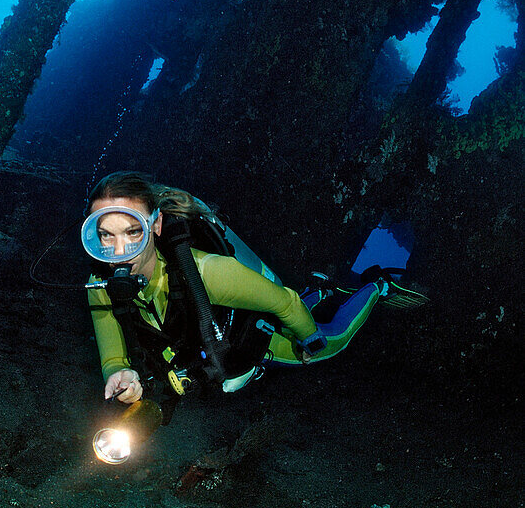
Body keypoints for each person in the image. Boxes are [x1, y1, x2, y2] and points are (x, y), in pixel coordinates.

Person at [83, 171, 421, 407]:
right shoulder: (100, 285)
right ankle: (321, 290)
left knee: (331, 343)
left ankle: (378, 284)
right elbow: (114, 356)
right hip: (224, 332)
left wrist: (310, 340)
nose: (118, 252)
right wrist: (118, 373)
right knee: (284, 306)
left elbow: (284, 302)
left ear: (155, 225)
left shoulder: (208, 273)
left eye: (132, 232)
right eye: (105, 235)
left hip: (257, 334)